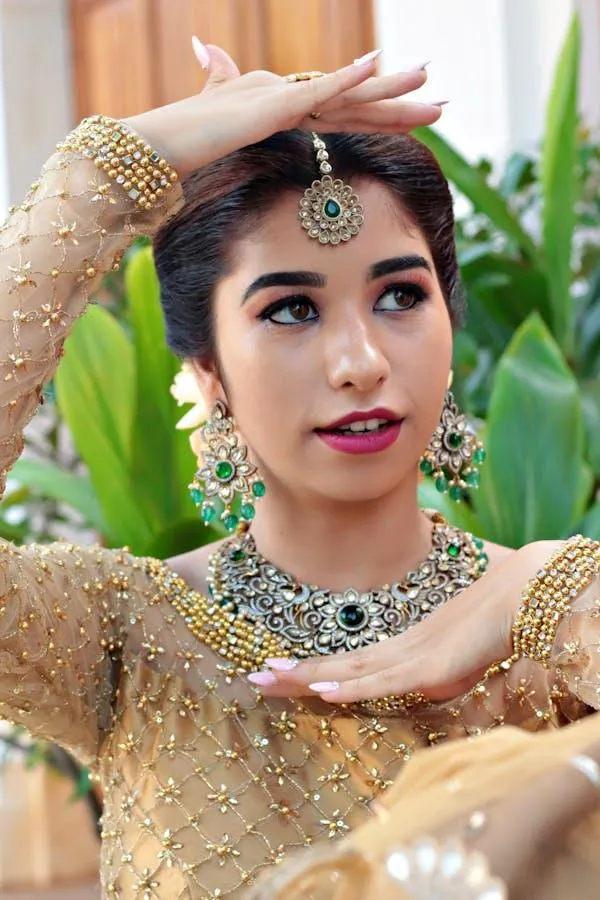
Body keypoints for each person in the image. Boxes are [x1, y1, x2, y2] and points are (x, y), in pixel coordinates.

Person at [0, 37, 599, 899]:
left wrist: (544, 588)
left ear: (450, 325)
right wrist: (114, 164)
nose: (359, 360)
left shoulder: (546, 637)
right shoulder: (123, 638)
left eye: (400, 296)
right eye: (290, 309)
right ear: (209, 374)